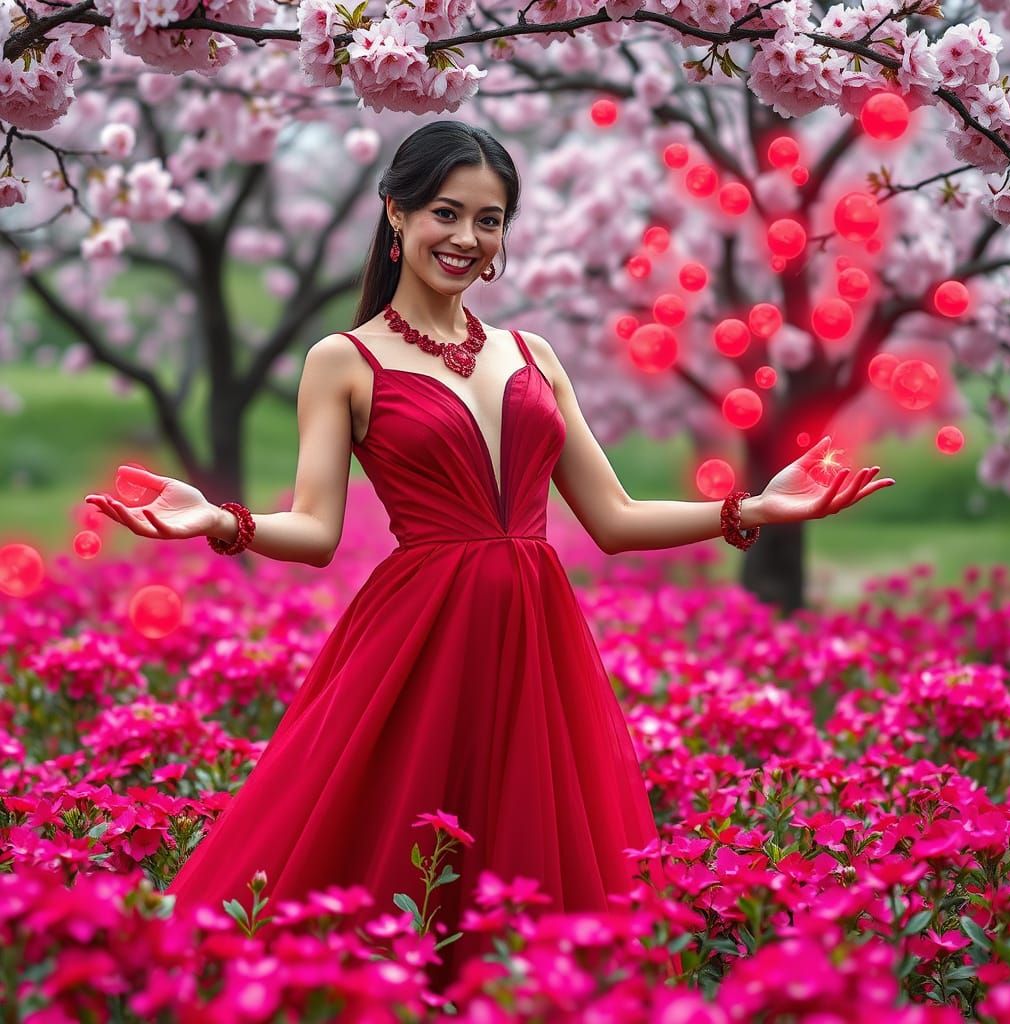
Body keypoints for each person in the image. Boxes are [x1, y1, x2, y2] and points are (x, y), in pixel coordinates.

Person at [84, 119, 894, 996]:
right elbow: (315, 531)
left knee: (530, 863)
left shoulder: (531, 355)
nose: (466, 238)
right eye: (445, 212)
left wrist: (752, 507)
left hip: (538, 639)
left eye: (489, 219)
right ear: (395, 213)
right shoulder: (344, 360)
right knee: (396, 858)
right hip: (419, 641)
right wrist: (219, 520)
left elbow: (615, 516)